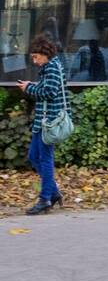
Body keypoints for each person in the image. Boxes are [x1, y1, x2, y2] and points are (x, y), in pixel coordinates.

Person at [16, 34, 66, 216]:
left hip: (49, 122)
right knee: (34, 156)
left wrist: (29, 88)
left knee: (44, 159)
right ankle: (53, 192)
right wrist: (32, 84)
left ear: (45, 54)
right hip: (43, 121)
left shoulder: (52, 67)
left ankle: (45, 199)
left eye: (36, 57)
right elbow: (46, 87)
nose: (35, 61)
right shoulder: (49, 67)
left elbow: (49, 92)